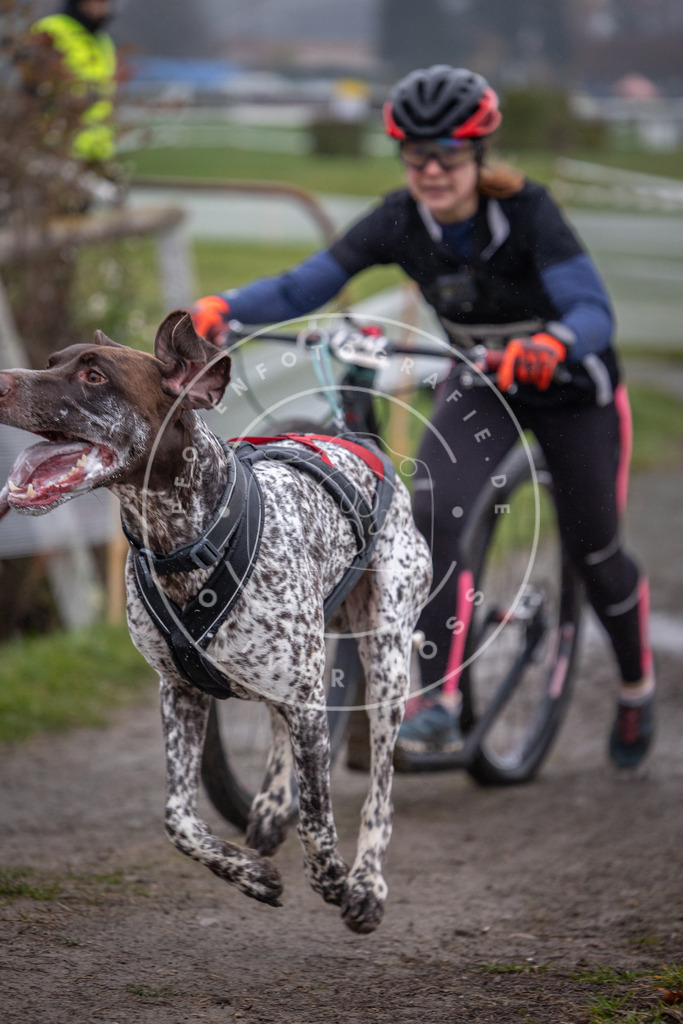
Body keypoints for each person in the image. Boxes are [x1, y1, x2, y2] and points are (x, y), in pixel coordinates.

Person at [190, 65, 655, 770]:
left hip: (572, 390)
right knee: (432, 513)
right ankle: (433, 702)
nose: (432, 170)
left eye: (448, 155)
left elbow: (591, 308)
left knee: (596, 554)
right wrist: (226, 306)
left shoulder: (526, 212)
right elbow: (305, 283)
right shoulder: (399, 219)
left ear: (477, 156)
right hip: (479, 383)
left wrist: (551, 343)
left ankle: (634, 682)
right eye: (416, 156)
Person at [26, 0, 118, 167]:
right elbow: (31, 86)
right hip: (56, 146)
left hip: (95, 151)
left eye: (106, 3)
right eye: (97, 2)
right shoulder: (52, 29)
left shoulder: (103, 41)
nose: (103, 9)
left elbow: (106, 97)